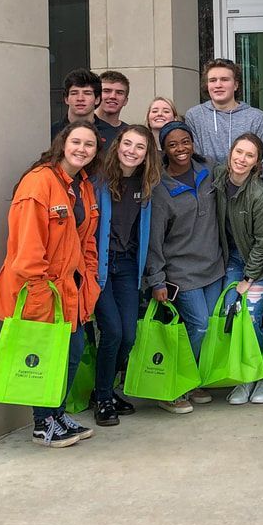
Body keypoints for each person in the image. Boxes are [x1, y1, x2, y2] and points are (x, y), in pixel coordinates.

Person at [0, 122, 101, 447]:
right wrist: (40, 293)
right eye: (76, 142)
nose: (82, 149)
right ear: (62, 144)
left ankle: (57, 412)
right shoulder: (38, 184)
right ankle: (43, 424)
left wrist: (90, 279)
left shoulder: (82, 185)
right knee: (47, 356)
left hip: (71, 290)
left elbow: (87, 240)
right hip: (40, 289)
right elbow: (27, 249)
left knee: (72, 352)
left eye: (90, 145)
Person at [145, 121, 226, 414]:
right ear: (164, 150)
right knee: (199, 325)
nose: (181, 149)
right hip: (181, 272)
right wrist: (156, 279)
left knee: (207, 329)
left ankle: (192, 382)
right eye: (173, 145)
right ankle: (172, 387)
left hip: (213, 267)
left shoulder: (211, 170)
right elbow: (154, 238)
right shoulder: (160, 187)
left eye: (185, 142)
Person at [91, 125, 162, 427]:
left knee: (129, 335)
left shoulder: (147, 184)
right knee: (113, 332)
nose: (131, 151)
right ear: (118, 145)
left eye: (140, 147)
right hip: (101, 266)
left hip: (128, 266)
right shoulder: (100, 181)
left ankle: (104, 389)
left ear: (148, 154)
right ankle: (103, 397)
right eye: (127, 144)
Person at [213, 133, 263, 405]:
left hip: (257, 265)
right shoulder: (216, 179)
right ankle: (242, 378)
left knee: (250, 319)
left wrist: (248, 278)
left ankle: (262, 377)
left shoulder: (258, 192)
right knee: (230, 316)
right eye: (239, 152)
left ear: (257, 163)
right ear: (230, 153)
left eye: (249, 156)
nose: (242, 159)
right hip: (231, 260)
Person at [184, 58, 263, 166]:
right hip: (206, 182)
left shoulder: (256, 117)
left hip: (246, 182)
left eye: (224, 79)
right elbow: (196, 162)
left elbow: (261, 164)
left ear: (236, 85)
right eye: (213, 80)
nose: (218, 85)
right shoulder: (194, 116)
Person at [51, 69, 110, 144]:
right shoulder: (51, 132)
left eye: (87, 93)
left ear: (97, 99)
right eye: (74, 93)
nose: (80, 98)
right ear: (66, 99)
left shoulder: (112, 134)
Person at [94, 70, 131, 146]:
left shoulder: (129, 133)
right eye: (107, 91)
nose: (113, 96)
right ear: (96, 96)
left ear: (125, 101)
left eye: (119, 93)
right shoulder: (83, 127)